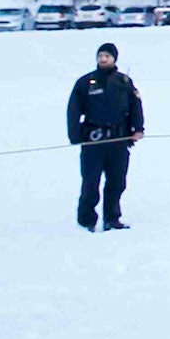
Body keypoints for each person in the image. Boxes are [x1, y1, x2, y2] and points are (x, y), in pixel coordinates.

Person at [66, 42, 145, 232]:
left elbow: (136, 106)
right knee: (90, 183)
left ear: (114, 59)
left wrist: (138, 128)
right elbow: (73, 110)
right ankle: (86, 220)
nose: (103, 59)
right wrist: (75, 135)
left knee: (117, 182)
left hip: (119, 140)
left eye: (107, 56)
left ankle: (112, 218)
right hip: (93, 142)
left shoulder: (124, 82)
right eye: (100, 56)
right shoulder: (85, 82)